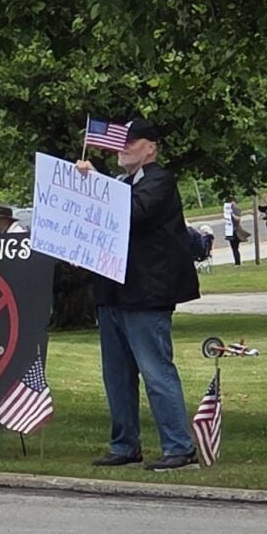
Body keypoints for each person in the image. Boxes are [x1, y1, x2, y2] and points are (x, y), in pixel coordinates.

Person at [72, 117, 199, 470]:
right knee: (116, 376)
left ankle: (179, 446)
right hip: (111, 292)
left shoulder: (160, 180)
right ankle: (125, 444)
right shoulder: (118, 183)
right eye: (120, 141)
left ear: (150, 147)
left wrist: (94, 182)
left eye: (131, 141)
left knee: (156, 371)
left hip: (147, 294)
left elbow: (132, 213)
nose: (122, 147)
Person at [222, 197, 244, 265]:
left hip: (236, 230)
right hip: (230, 230)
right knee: (234, 247)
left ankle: (238, 261)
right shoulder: (227, 210)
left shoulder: (237, 209)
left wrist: (232, 214)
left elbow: (238, 219)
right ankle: (237, 261)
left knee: (235, 247)